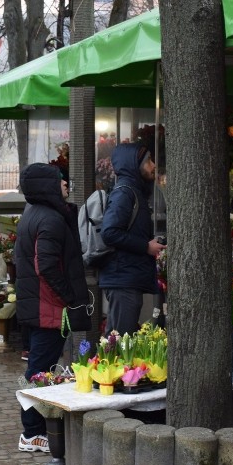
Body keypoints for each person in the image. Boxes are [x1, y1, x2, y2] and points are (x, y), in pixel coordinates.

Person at [14, 163, 89, 452]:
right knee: (39, 371)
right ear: (48, 186)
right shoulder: (50, 219)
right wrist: (70, 298)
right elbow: (45, 265)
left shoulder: (35, 213)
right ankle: (32, 432)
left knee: (39, 367)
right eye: (60, 180)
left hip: (41, 306)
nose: (66, 184)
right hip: (49, 310)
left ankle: (35, 428)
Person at [98, 142, 167, 336]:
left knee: (120, 339)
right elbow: (109, 232)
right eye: (148, 161)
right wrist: (145, 246)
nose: (153, 165)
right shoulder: (124, 193)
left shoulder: (133, 191)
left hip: (127, 277)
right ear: (133, 165)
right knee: (119, 341)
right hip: (123, 279)